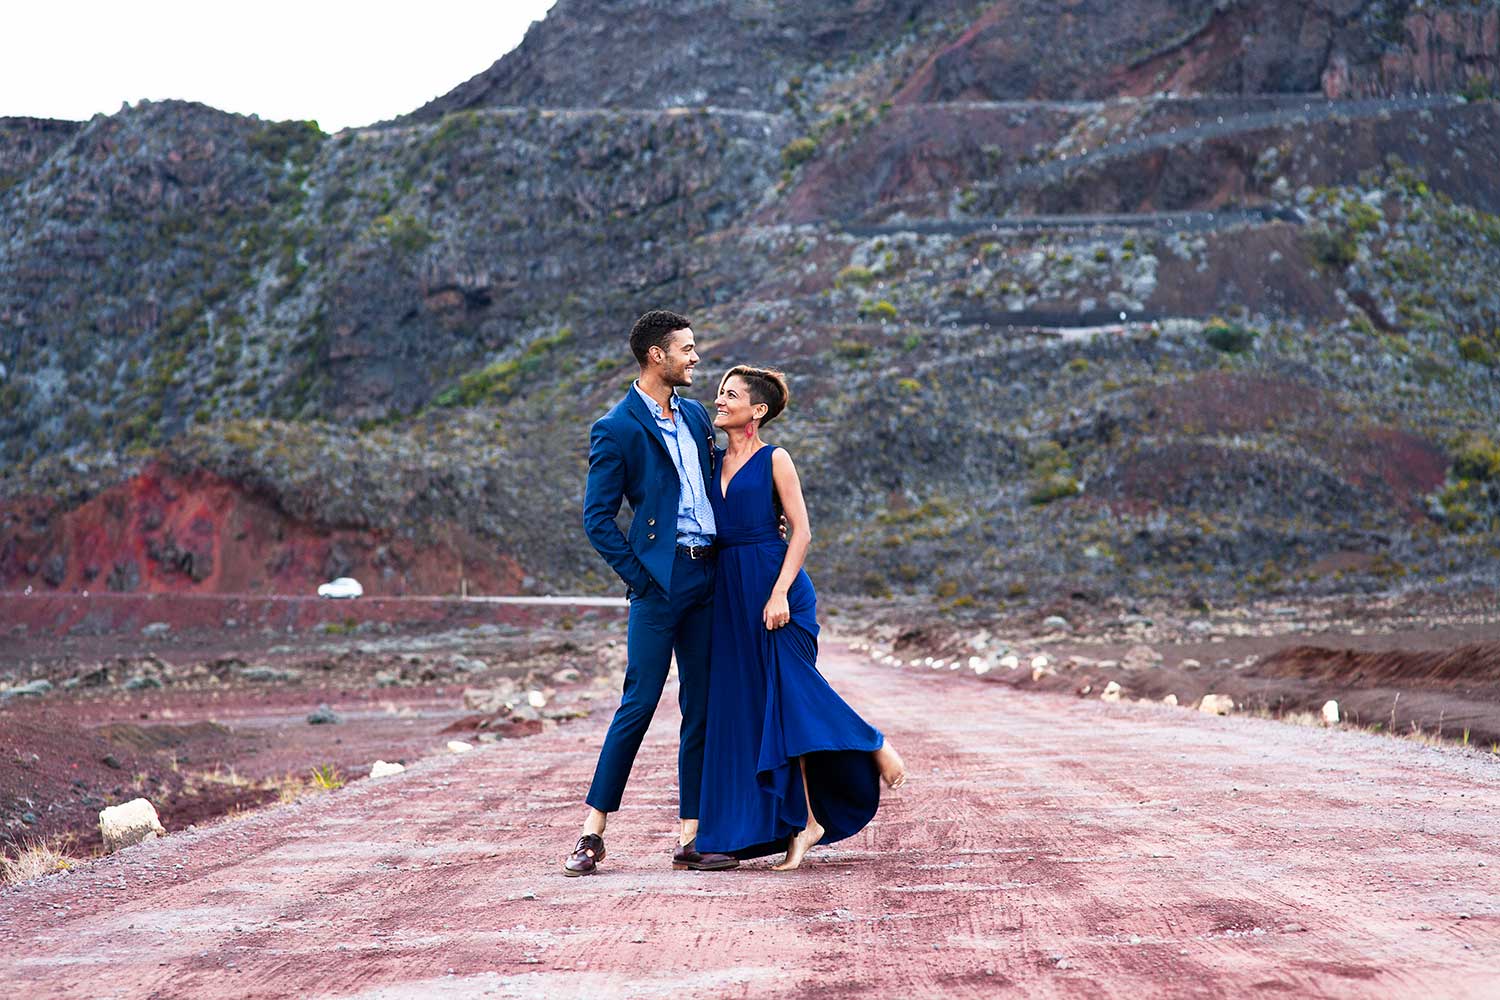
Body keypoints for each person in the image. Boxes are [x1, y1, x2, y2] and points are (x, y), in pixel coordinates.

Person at [696, 365, 906, 870]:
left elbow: (803, 532)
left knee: (794, 689)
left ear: (758, 409)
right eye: (719, 393)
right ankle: (805, 821)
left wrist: (780, 593)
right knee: (763, 708)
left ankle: (871, 743)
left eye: (731, 395)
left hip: (778, 588)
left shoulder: (776, 458)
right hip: (730, 593)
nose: (719, 401)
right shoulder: (709, 461)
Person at [563, 310, 739, 876]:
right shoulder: (615, 427)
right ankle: (592, 833)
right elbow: (597, 519)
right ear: (656, 356)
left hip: (708, 575)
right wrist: (641, 579)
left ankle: (693, 835)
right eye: (686, 349)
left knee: (702, 706)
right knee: (637, 705)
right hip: (660, 583)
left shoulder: (692, 415)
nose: (695, 358)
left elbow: (718, 487)